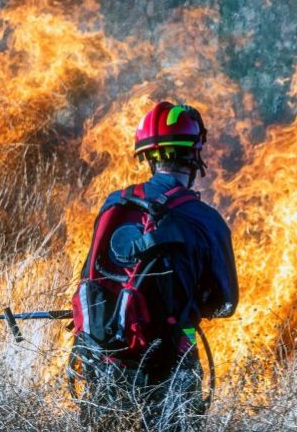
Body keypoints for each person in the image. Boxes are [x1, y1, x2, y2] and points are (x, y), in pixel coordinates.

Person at [69, 101, 238, 429]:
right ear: (193, 156)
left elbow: (90, 274)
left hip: (103, 362)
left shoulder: (114, 204)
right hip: (172, 364)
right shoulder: (206, 220)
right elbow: (226, 303)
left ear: (148, 156)